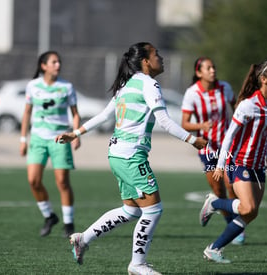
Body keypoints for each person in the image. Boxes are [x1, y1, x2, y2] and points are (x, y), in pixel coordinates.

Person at [55, 42, 208, 275]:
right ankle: (137, 264)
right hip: (130, 156)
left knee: (131, 211)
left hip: (117, 154)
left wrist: (75, 133)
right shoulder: (149, 84)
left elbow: (105, 115)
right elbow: (165, 122)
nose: (162, 58)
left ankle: (82, 239)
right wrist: (192, 140)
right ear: (146, 61)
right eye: (157, 54)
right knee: (153, 210)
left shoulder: (126, 85)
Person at [199, 61, 267, 263]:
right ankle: (215, 203)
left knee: (252, 213)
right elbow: (229, 137)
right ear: (264, 80)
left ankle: (214, 248)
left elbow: (266, 132)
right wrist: (220, 165)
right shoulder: (248, 105)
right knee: (247, 208)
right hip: (240, 162)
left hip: (258, 165)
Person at [180, 57, 245, 245]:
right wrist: (201, 125)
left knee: (232, 184)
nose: (213, 70)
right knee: (218, 189)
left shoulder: (225, 88)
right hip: (207, 148)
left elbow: (237, 110)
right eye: (208, 68)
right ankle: (228, 222)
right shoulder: (192, 93)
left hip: (228, 145)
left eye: (214, 67)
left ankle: (235, 227)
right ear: (199, 72)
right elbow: (184, 123)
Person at [20, 50, 81, 238]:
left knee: (62, 181)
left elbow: (75, 114)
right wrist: (23, 139)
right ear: (43, 66)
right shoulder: (33, 86)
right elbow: (27, 113)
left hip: (60, 138)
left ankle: (68, 223)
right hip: (38, 139)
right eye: (54, 62)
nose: (58, 65)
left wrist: (76, 134)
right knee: (33, 181)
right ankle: (49, 216)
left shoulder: (67, 87)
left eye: (59, 62)